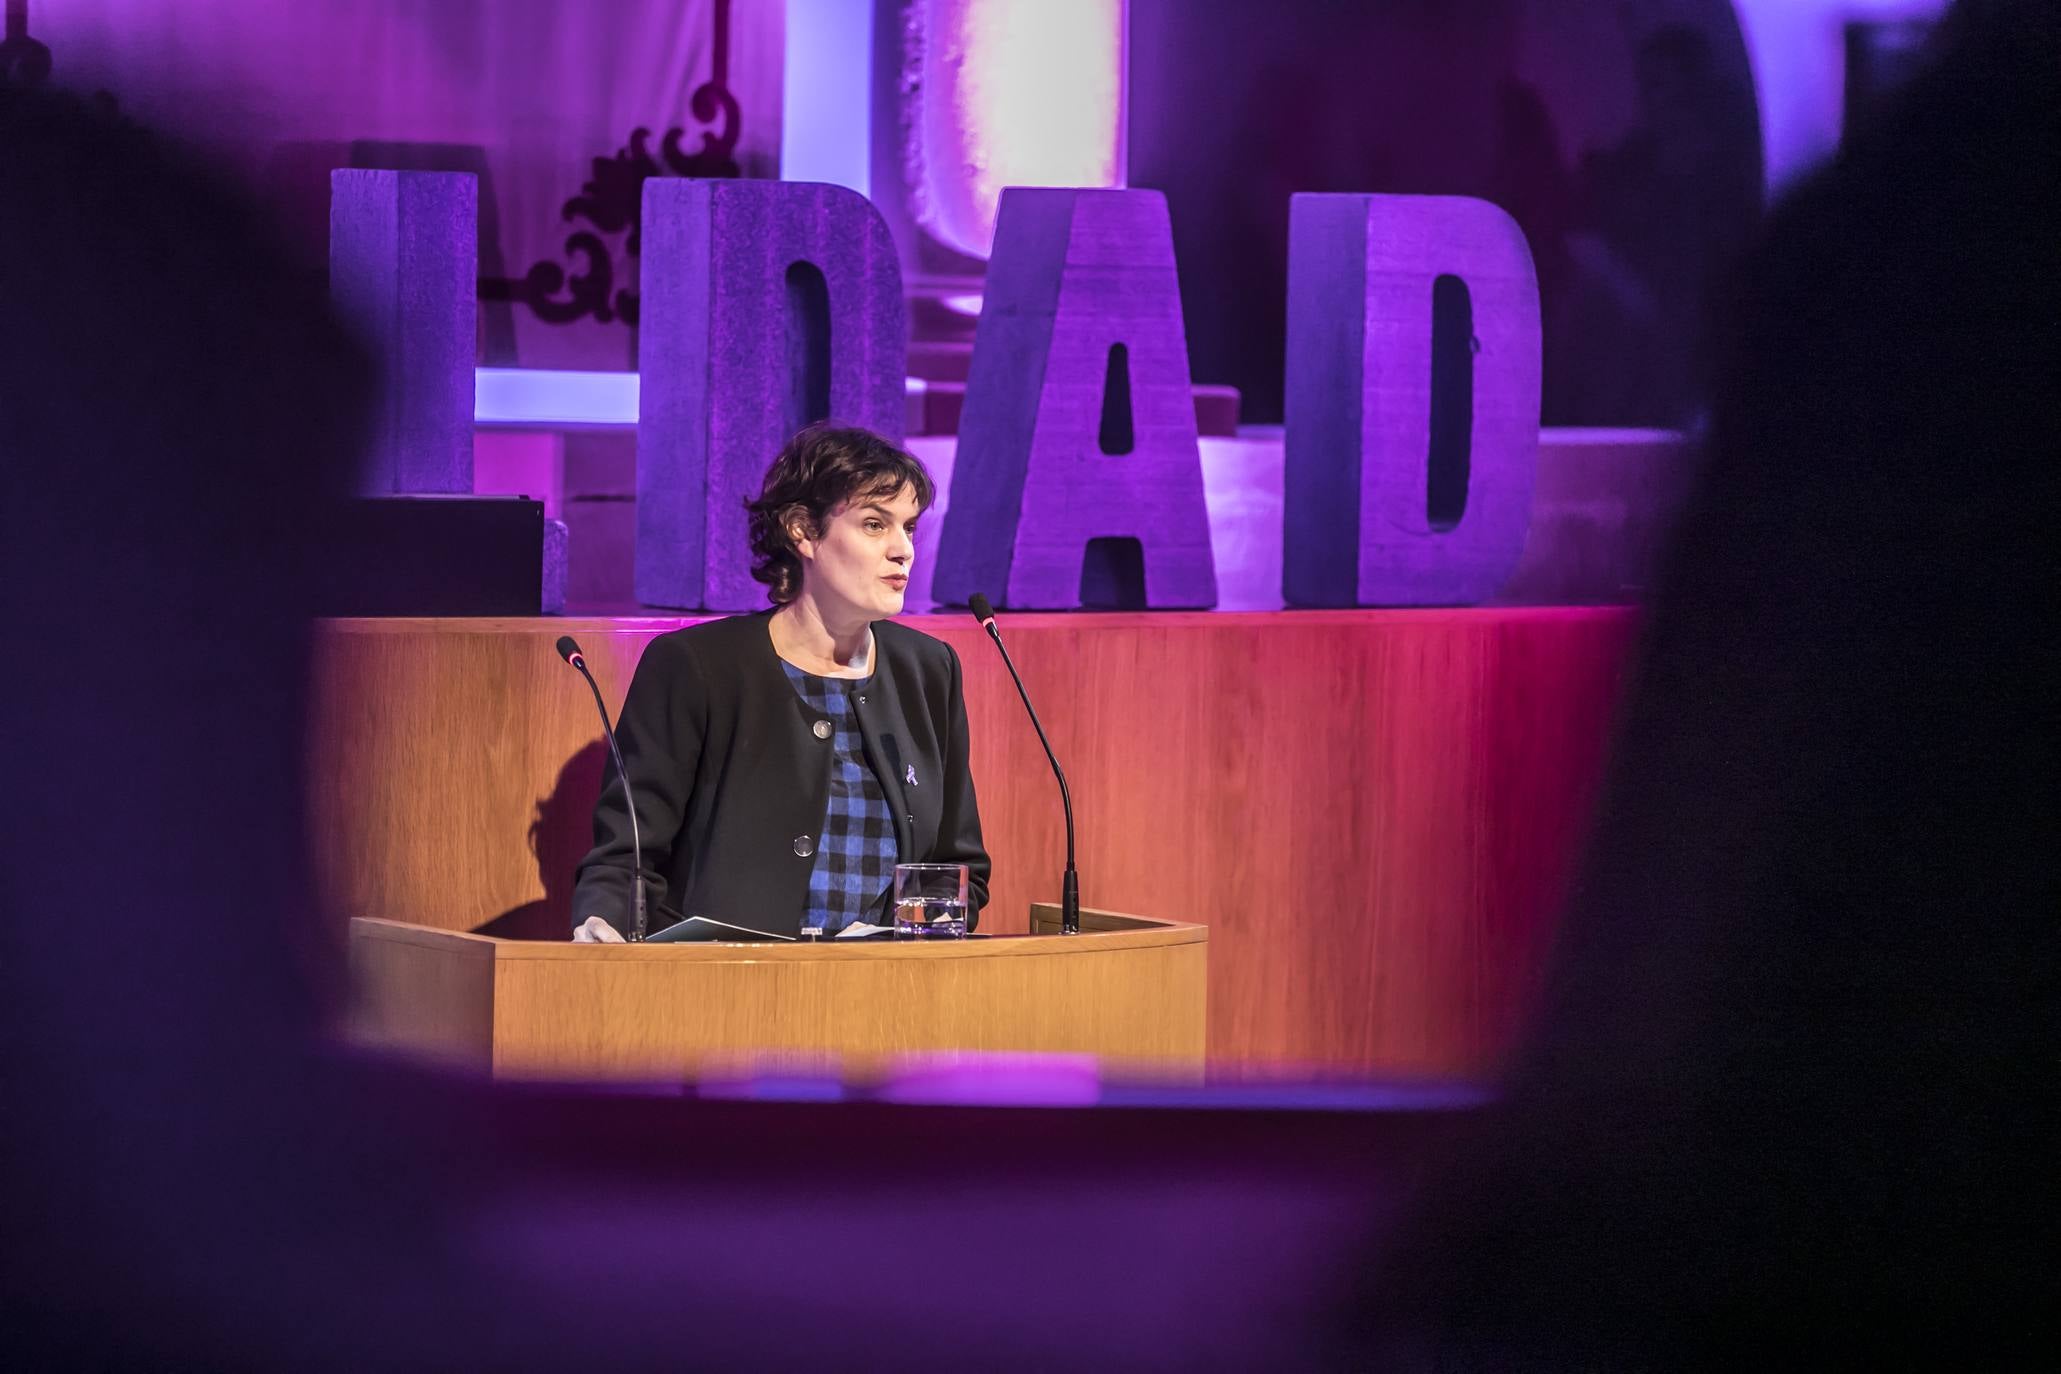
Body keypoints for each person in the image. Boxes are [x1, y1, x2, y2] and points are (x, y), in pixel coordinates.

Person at [571, 424, 991, 939]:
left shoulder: (928, 670)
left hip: (889, 997)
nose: (903, 549)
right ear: (802, 530)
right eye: (876, 525)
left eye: (909, 528)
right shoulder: (698, 666)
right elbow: (627, 859)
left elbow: (959, 873)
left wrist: (901, 941)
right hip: (728, 992)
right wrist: (600, 926)